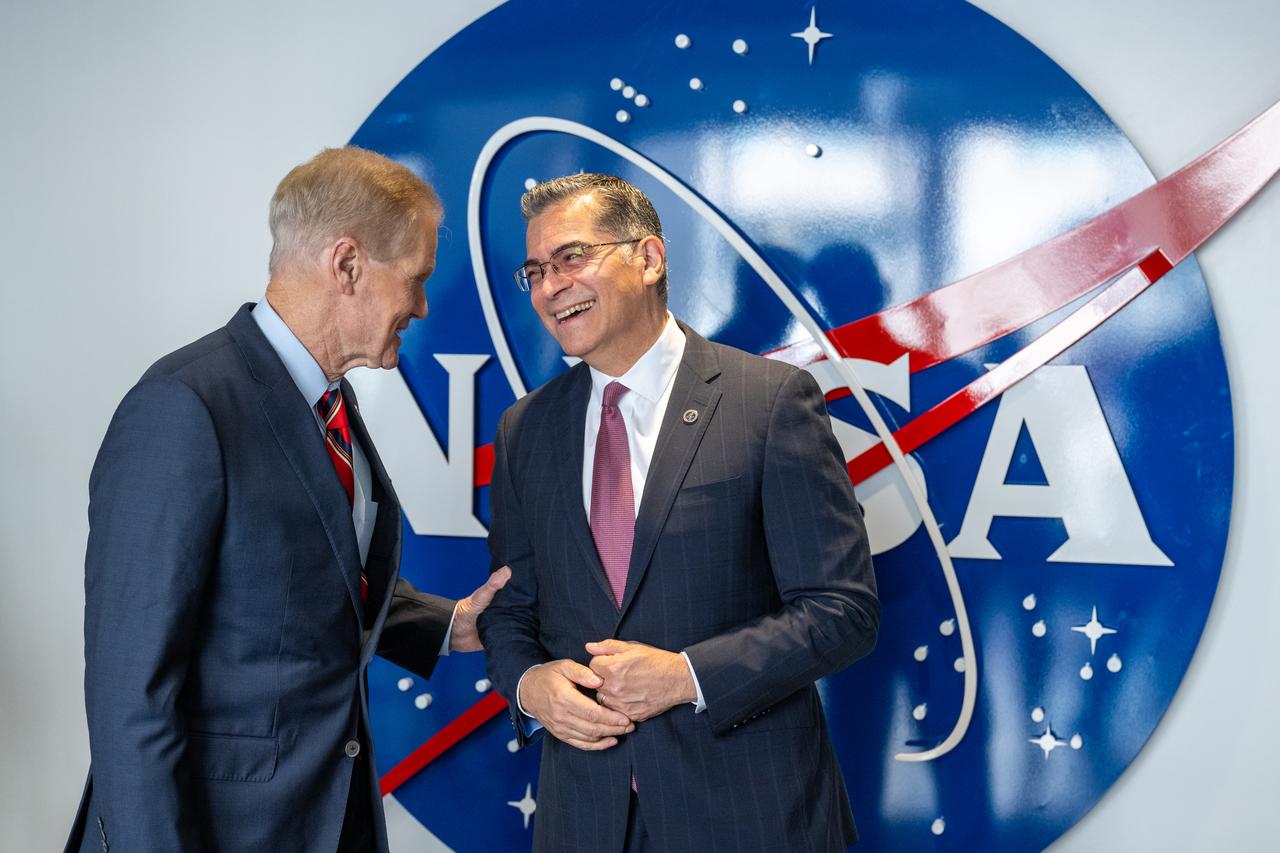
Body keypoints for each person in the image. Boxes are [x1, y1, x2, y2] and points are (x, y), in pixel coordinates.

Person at [66, 146, 510, 853]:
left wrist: (447, 622)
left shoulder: (330, 401)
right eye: (417, 278)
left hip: (328, 819)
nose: (423, 305)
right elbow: (129, 690)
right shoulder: (182, 406)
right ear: (347, 264)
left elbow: (307, 579)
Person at [478, 173, 879, 851]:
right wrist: (527, 683)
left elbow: (843, 612)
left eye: (573, 257)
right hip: (586, 820)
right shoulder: (526, 429)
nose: (550, 287)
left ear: (650, 257)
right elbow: (509, 608)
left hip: (751, 813)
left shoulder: (770, 402)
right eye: (536, 270)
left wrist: (685, 675)